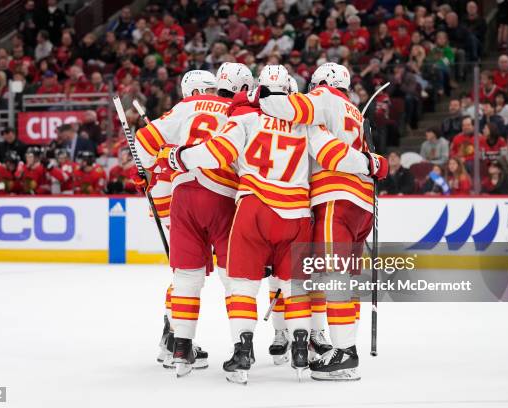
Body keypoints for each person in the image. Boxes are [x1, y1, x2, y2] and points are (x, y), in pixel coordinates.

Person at [158, 65, 386, 384]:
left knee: (239, 283)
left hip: (259, 206)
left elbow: (219, 152)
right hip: (312, 209)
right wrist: (373, 163)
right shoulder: (319, 124)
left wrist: (177, 159)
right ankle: (302, 346)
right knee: (305, 283)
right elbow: (333, 152)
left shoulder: (252, 115)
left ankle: (237, 348)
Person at [247, 62, 389, 380]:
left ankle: (344, 354)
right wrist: (372, 162)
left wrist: (263, 93)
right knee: (346, 280)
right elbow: (371, 162)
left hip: (335, 199)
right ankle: (342, 343)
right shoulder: (355, 112)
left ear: (320, 82)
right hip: (362, 206)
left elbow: (279, 106)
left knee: (334, 279)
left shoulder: (322, 98)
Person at [137, 65, 254, 377]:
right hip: (224, 197)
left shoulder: (185, 107)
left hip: (183, 197)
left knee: (186, 278)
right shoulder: (240, 112)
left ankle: (180, 350)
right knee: (235, 279)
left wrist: (147, 166)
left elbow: (143, 143)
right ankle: (241, 351)